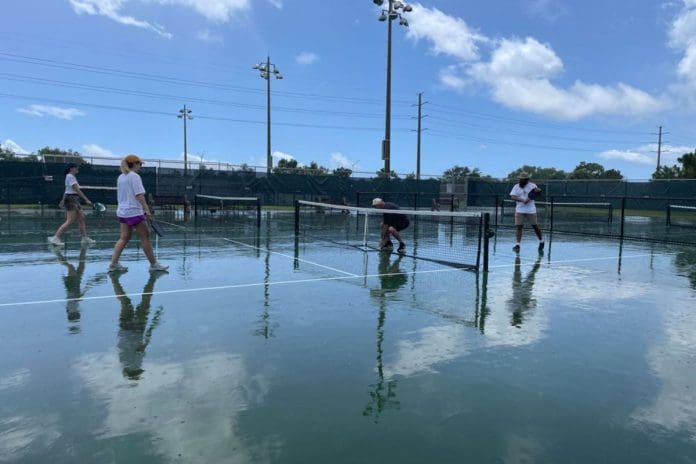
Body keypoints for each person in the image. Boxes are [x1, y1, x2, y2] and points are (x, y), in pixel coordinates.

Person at [108, 154, 168, 273]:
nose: (140, 166)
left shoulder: (121, 177)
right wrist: (146, 209)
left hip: (122, 213)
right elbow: (139, 195)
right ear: (134, 163)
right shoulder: (134, 176)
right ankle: (154, 264)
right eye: (139, 164)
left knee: (123, 238)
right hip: (134, 212)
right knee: (145, 237)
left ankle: (113, 264)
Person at [47, 163, 96, 246]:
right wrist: (86, 199)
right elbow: (76, 190)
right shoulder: (70, 176)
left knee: (81, 218)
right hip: (72, 199)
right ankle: (55, 238)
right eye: (76, 167)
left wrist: (62, 200)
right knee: (70, 221)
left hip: (73, 199)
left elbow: (67, 190)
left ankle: (84, 238)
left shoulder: (70, 177)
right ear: (71, 168)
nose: (77, 169)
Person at [509, 172, 544, 253]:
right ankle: (518, 245)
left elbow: (537, 193)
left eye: (523, 179)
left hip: (531, 210)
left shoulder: (533, 185)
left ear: (527, 180)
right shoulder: (516, 186)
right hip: (519, 210)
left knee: (535, 226)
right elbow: (512, 197)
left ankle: (541, 241)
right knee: (518, 227)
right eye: (520, 179)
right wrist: (522, 200)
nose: (521, 180)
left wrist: (538, 192)